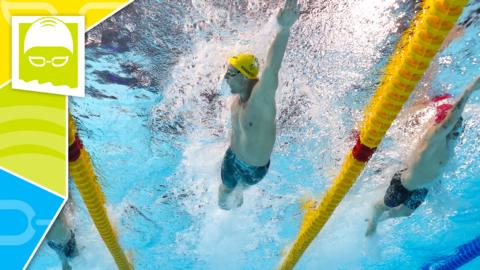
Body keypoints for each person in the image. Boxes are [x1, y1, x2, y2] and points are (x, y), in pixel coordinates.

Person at [365, 77, 480, 236]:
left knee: (405, 213)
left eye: (459, 126)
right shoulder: (433, 138)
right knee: (387, 204)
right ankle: (374, 217)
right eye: (456, 126)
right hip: (404, 184)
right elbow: (452, 116)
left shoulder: (450, 141)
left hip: (423, 186)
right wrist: (470, 90)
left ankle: (383, 219)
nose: (458, 130)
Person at [217, 0, 301, 210]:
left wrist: (284, 29)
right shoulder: (237, 99)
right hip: (231, 156)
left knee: (229, 197)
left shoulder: (261, 99)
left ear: (244, 76)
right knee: (223, 196)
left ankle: (236, 200)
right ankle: (232, 198)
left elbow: (272, 68)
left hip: (251, 170)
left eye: (230, 73)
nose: (225, 78)